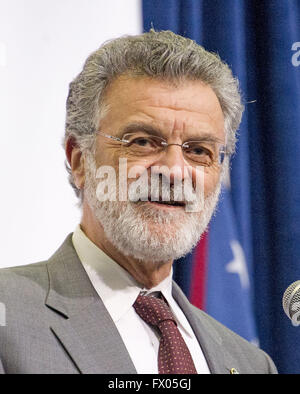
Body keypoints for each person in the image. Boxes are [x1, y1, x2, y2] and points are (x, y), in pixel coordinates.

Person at [0, 30, 277, 374]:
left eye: (198, 151)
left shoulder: (251, 364)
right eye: (144, 141)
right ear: (79, 160)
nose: (175, 171)